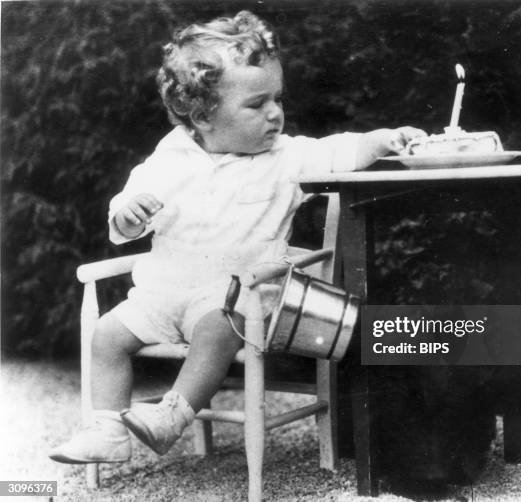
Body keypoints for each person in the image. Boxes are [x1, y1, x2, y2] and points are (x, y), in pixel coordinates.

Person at [49, 10, 426, 463]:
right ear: (202, 115)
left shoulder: (287, 158)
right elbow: (130, 207)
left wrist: (383, 139)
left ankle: (174, 413)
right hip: (163, 294)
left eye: (278, 100)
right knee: (107, 335)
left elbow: (339, 150)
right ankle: (107, 431)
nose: (275, 114)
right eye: (256, 104)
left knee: (217, 325)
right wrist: (130, 214)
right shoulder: (172, 155)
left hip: (240, 301)